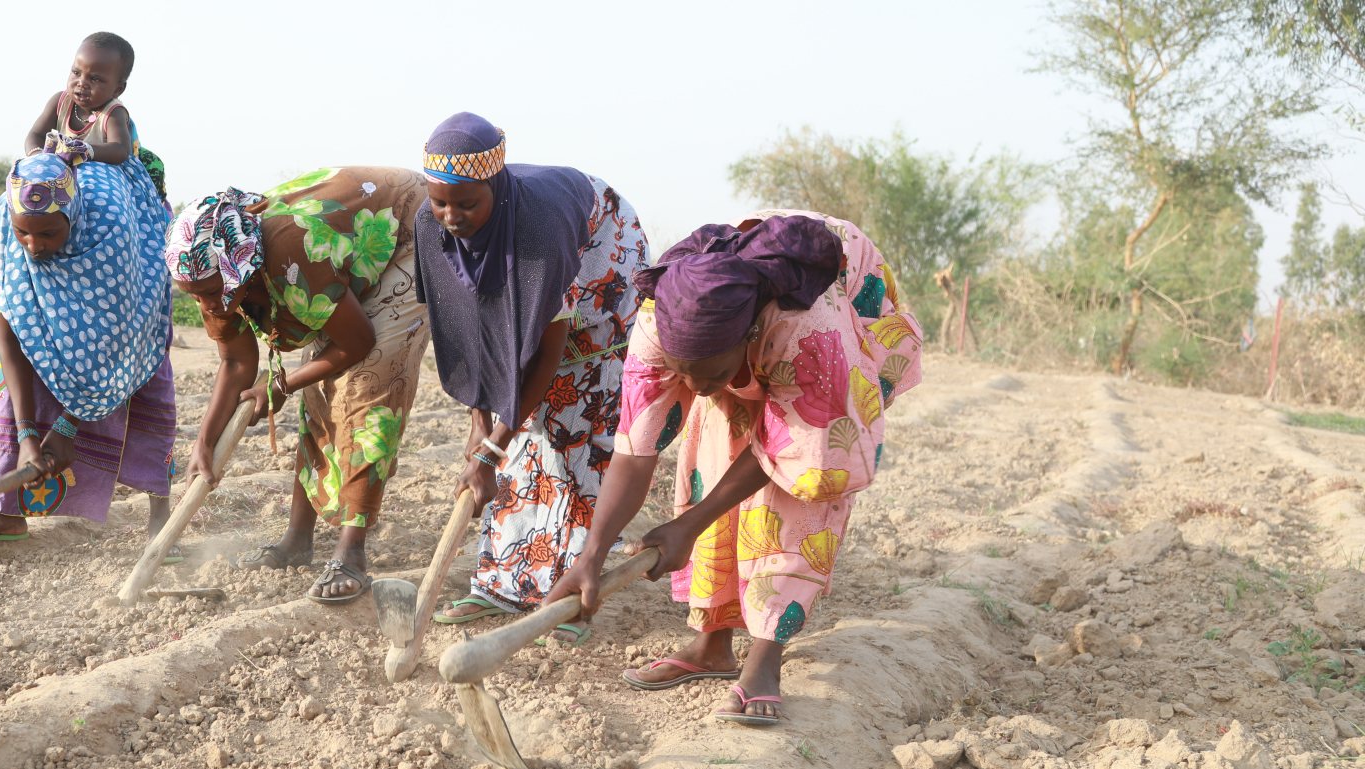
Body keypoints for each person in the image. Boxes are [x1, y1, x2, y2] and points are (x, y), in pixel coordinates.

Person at [543, 211, 924, 725]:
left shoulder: (810, 331)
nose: (697, 388)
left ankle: (765, 659)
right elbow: (636, 450)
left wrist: (687, 526)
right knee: (710, 451)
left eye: (712, 373)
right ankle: (711, 645)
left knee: (800, 485)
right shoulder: (659, 321)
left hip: (841, 293)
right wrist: (590, 555)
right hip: (746, 330)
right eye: (683, 374)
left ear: (749, 335)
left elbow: (798, 452)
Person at [413, 112, 652, 645]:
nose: (452, 215)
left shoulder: (542, 235)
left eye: (467, 204)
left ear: (494, 188)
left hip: (599, 257)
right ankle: (504, 580)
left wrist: (492, 449)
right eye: (440, 201)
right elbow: (463, 332)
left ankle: (566, 595)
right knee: (512, 432)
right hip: (535, 266)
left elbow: (545, 357)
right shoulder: (431, 228)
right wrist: (481, 432)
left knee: (574, 422)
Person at [168, 167, 431, 603]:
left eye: (211, 293)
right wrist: (205, 440)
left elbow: (359, 341)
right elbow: (236, 361)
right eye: (193, 295)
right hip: (334, 261)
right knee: (317, 395)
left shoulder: (291, 250)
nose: (206, 304)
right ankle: (297, 541)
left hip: (407, 233)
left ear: (241, 269)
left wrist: (280, 385)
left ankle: (351, 552)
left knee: (369, 387)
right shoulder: (214, 275)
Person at [0, 139, 176, 547]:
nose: (34, 246)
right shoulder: (4, 248)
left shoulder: (110, 246)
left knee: (145, 390)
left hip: (130, 326)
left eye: (48, 233)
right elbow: (9, 340)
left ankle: (161, 524)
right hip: (39, 343)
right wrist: (29, 434)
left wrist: (67, 426)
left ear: (73, 218)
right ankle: (6, 513)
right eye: (23, 233)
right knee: (13, 390)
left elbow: (116, 348)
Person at [21, 32, 168, 205]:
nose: (81, 82)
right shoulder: (60, 102)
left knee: (106, 208)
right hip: (62, 170)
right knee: (21, 192)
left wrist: (85, 151)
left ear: (118, 89)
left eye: (95, 78)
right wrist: (40, 157)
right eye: (76, 72)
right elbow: (36, 135)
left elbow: (120, 149)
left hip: (107, 175)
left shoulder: (113, 112)